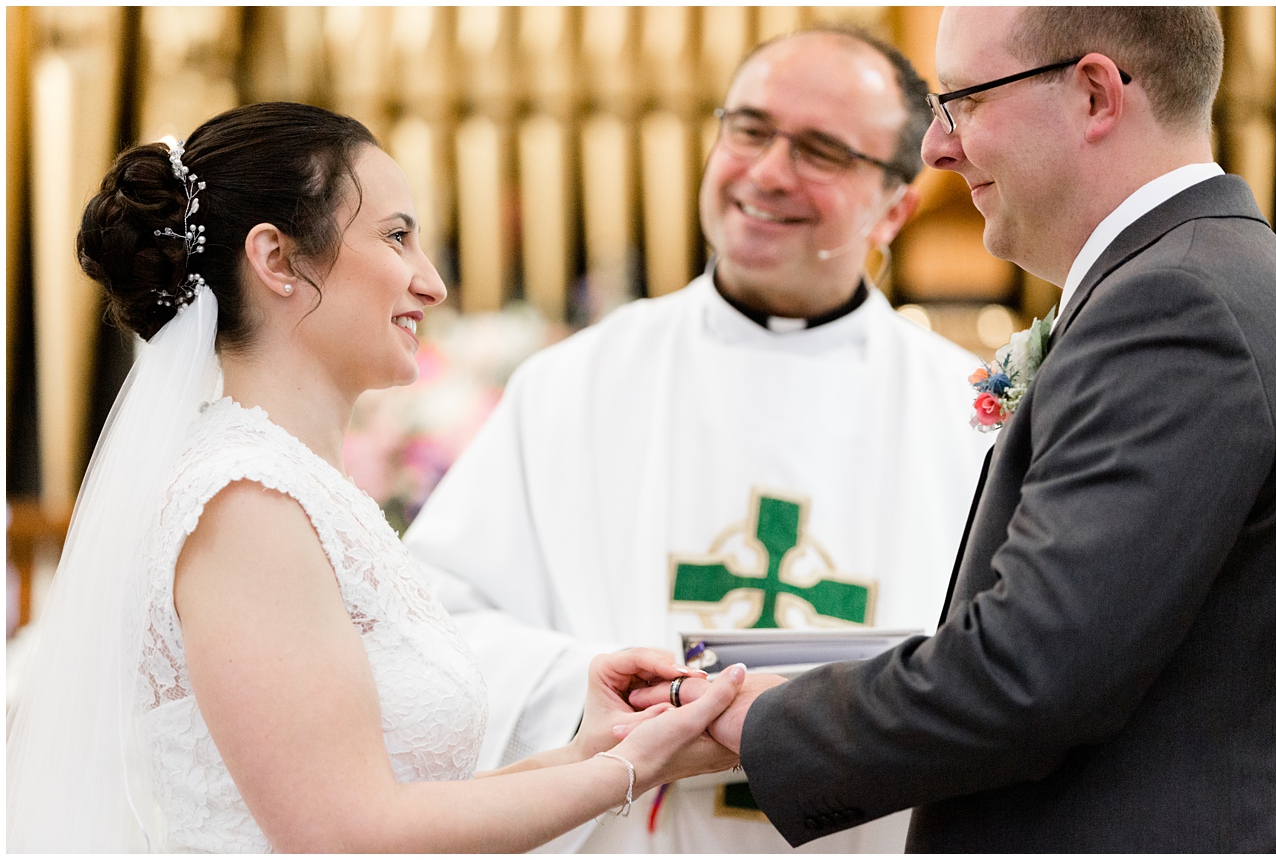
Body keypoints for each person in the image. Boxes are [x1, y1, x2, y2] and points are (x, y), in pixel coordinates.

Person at [4, 102, 747, 853]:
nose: (432, 284)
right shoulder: (244, 502)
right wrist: (628, 770)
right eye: (397, 237)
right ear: (277, 260)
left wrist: (593, 750)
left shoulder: (298, 488)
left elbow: (389, 802)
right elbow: (341, 834)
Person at [637, 7, 1275, 851]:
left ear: (1093, 95)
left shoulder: (1171, 302)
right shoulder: (1200, 271)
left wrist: (752, 720)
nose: (937, 148)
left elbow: (1031, 673)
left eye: (964, 100)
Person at [402, 28, 993, 853]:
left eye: (821, 150)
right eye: (748, 130)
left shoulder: (967, 413)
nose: (766, 171)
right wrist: (597, 694)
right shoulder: (576, 384)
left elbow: (1019, 668)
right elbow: (434, 628)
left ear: (897, 205)